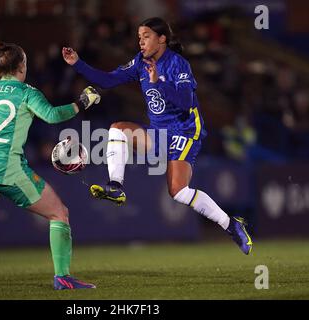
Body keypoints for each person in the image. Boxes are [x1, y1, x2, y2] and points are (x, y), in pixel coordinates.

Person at [62, 17, 253, 254]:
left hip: (185, 131)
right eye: (139, 37)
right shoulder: (140, 62)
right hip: (159, 132)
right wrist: (77, 63)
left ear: (162, 39)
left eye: (146, 36)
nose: (140, 42)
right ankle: (116, 187)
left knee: (178, 191)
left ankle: (230, 224)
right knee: (117, 129)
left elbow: (186, 102)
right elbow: (109, 80)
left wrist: (158, 83)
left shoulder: (177, 64)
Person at [0, 42, 100, 290]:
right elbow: (53, 116)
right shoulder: (26, 92)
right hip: (4, 167)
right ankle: (63, 277)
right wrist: (82, 102)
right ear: (22, 66)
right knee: (59, 213)